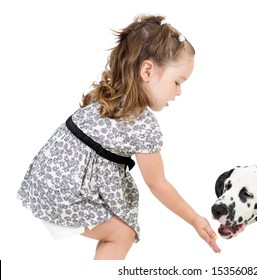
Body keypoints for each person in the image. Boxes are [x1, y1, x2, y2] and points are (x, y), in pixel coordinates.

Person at [17, 14, 220, 260]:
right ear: (148, 70)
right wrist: (194, 219)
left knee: (115, 229)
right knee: (123, 231)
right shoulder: (143, 126)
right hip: (62, 195)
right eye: (178, 82)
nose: (179, 92)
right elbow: (157, 183)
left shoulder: (106, 97)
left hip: (42, 181)